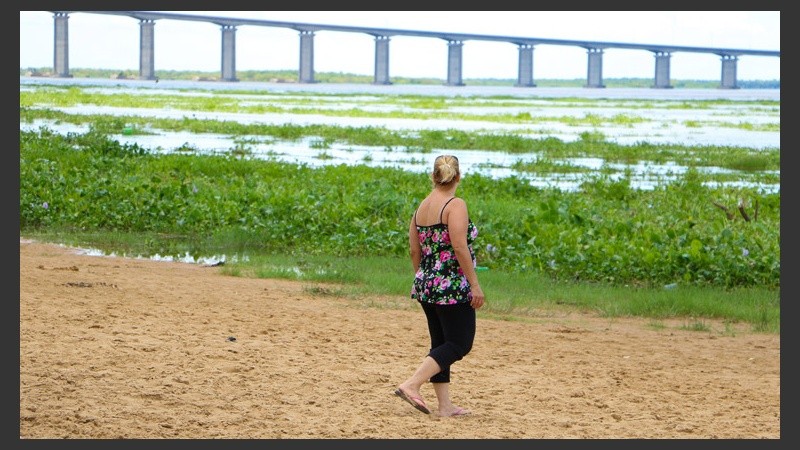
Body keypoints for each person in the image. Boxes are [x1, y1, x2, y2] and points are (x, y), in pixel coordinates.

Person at [394, 154, 485, 417]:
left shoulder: (421, 207)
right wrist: (474, 284)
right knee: (460, 343)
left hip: (426, 283)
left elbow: (414, 249)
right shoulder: (455, 205)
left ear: (433, 176)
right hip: (452, 285)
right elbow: (458, 246)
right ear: (458, 176)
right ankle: (412, 384)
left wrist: (424, 278)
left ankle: (445, 406)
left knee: (440, 344)